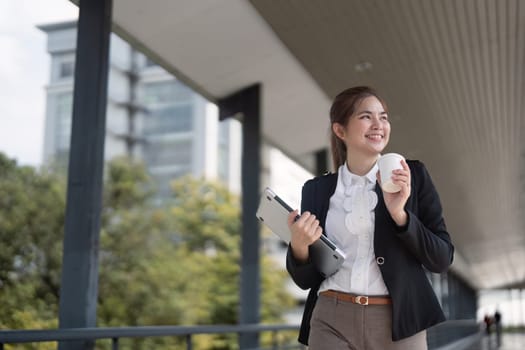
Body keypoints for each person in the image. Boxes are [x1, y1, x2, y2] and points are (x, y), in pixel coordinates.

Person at [286, 86, 454, 350]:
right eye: (366, 117)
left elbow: (441, 258)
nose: (378, 125)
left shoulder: (414, 176)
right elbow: (305, 279)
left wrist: (401, 216)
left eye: (383, 117)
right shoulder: (315, 190)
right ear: (340, 131)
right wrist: (298, 246)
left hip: (400, 323)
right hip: (331, 318)